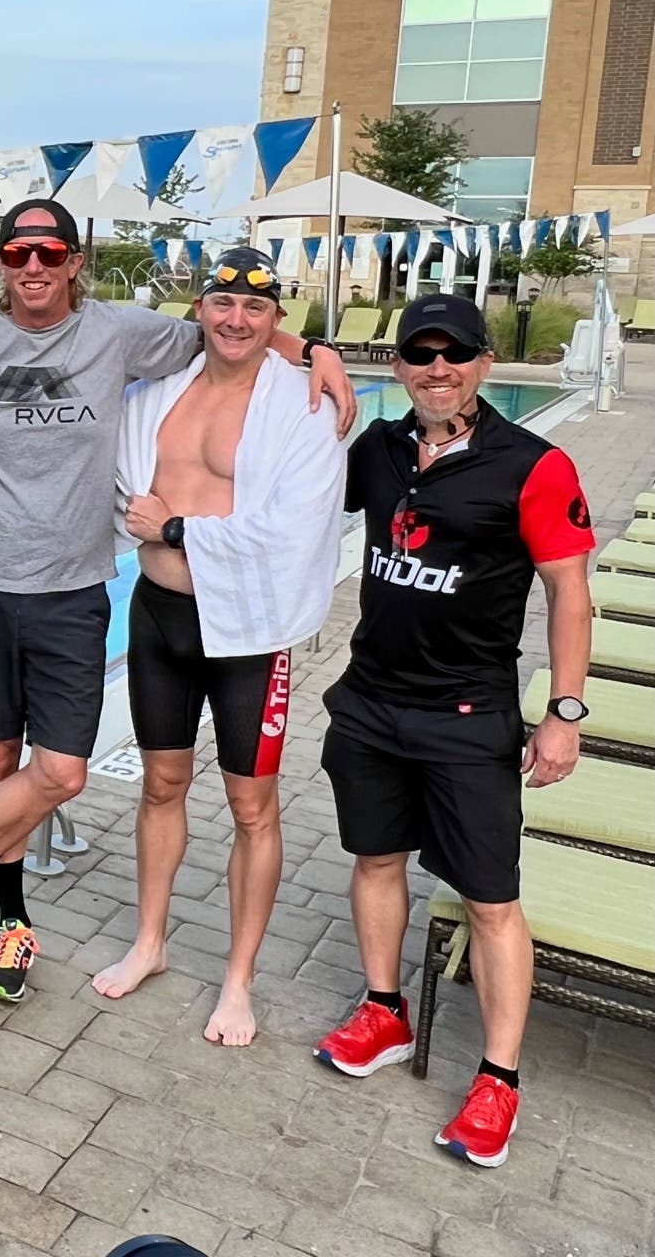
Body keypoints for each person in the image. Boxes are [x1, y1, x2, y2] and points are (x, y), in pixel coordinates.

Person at [0, 199, 357, 1005]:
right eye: (18, 253)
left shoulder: (121, 331)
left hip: (73, 589)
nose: (34, 266)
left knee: (61, 771)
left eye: (50, 253)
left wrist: (314, 349)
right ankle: (4, 920)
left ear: (75, 261)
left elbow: (230, 331)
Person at [312, 293, 592, 1169]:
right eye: (420, 354)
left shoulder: (533, 465)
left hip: (467, 715)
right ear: (396, 365)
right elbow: (289, 484)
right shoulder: (378, 449)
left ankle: (498, 1078)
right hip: (368, 701)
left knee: (489, 900)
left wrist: (563, 713)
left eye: (455, 354)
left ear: (482, 364)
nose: (438, 370)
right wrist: (310, 351)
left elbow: (569, 593)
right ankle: (383, 1010)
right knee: (375, 860)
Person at [90, 247, 346, 1046]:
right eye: (222, 304)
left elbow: (295, 530)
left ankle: (238, 981)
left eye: (255, 308)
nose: (236, 320)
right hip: (157, 618)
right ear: (199, 308)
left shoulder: (302, 407)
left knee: (251, 806)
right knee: (161, 785)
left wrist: (173, 528)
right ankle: (150, 942)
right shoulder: (154, 391)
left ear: (276, 319)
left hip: (248, 634)